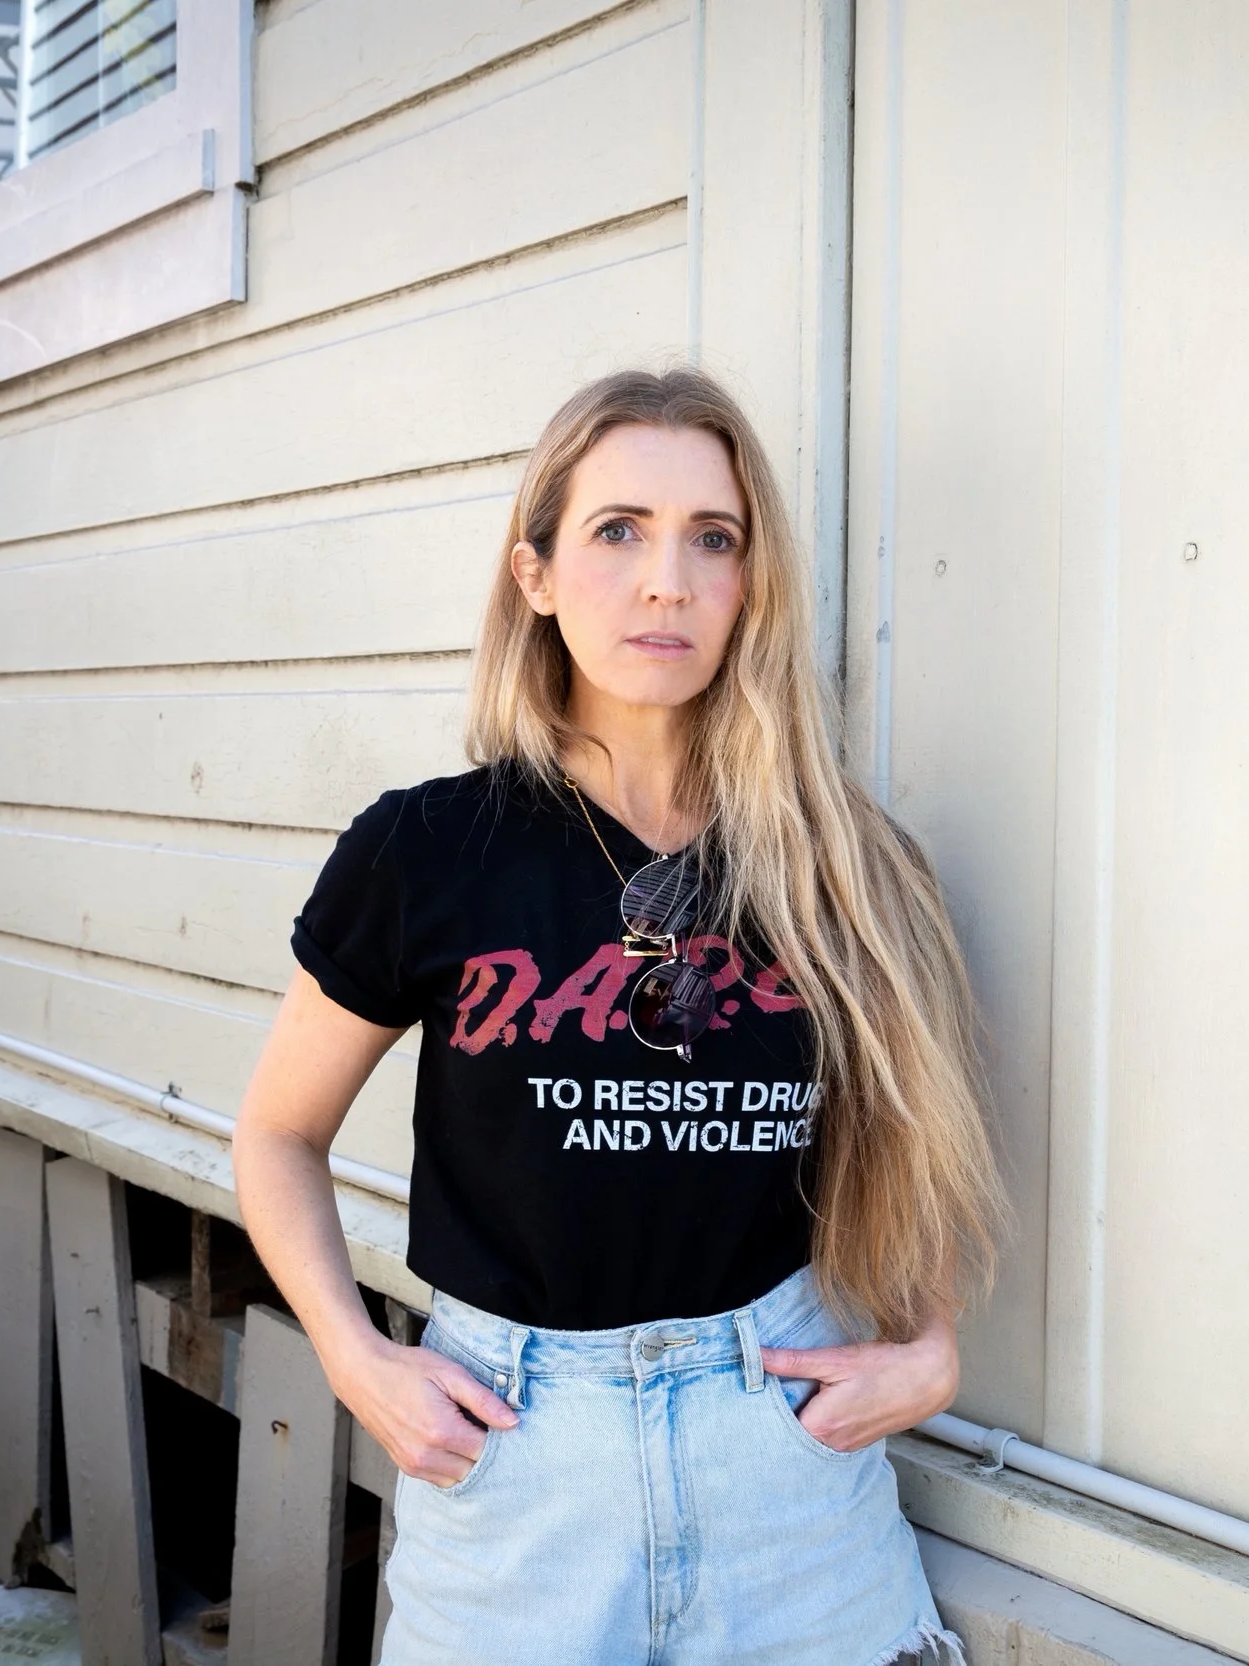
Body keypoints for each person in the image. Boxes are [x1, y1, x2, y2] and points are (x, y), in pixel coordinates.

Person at [232, 366, 1010, 1666]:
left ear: (752, 581)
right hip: (521, 1467)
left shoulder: (849, 868)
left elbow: (906, 1142)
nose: (670, 579)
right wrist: (355, 1354)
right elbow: (276, 1135)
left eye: (715, 537)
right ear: (532, 573)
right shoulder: (426, 851)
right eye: (618, 531)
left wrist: (931, 1346)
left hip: (789, 1470)